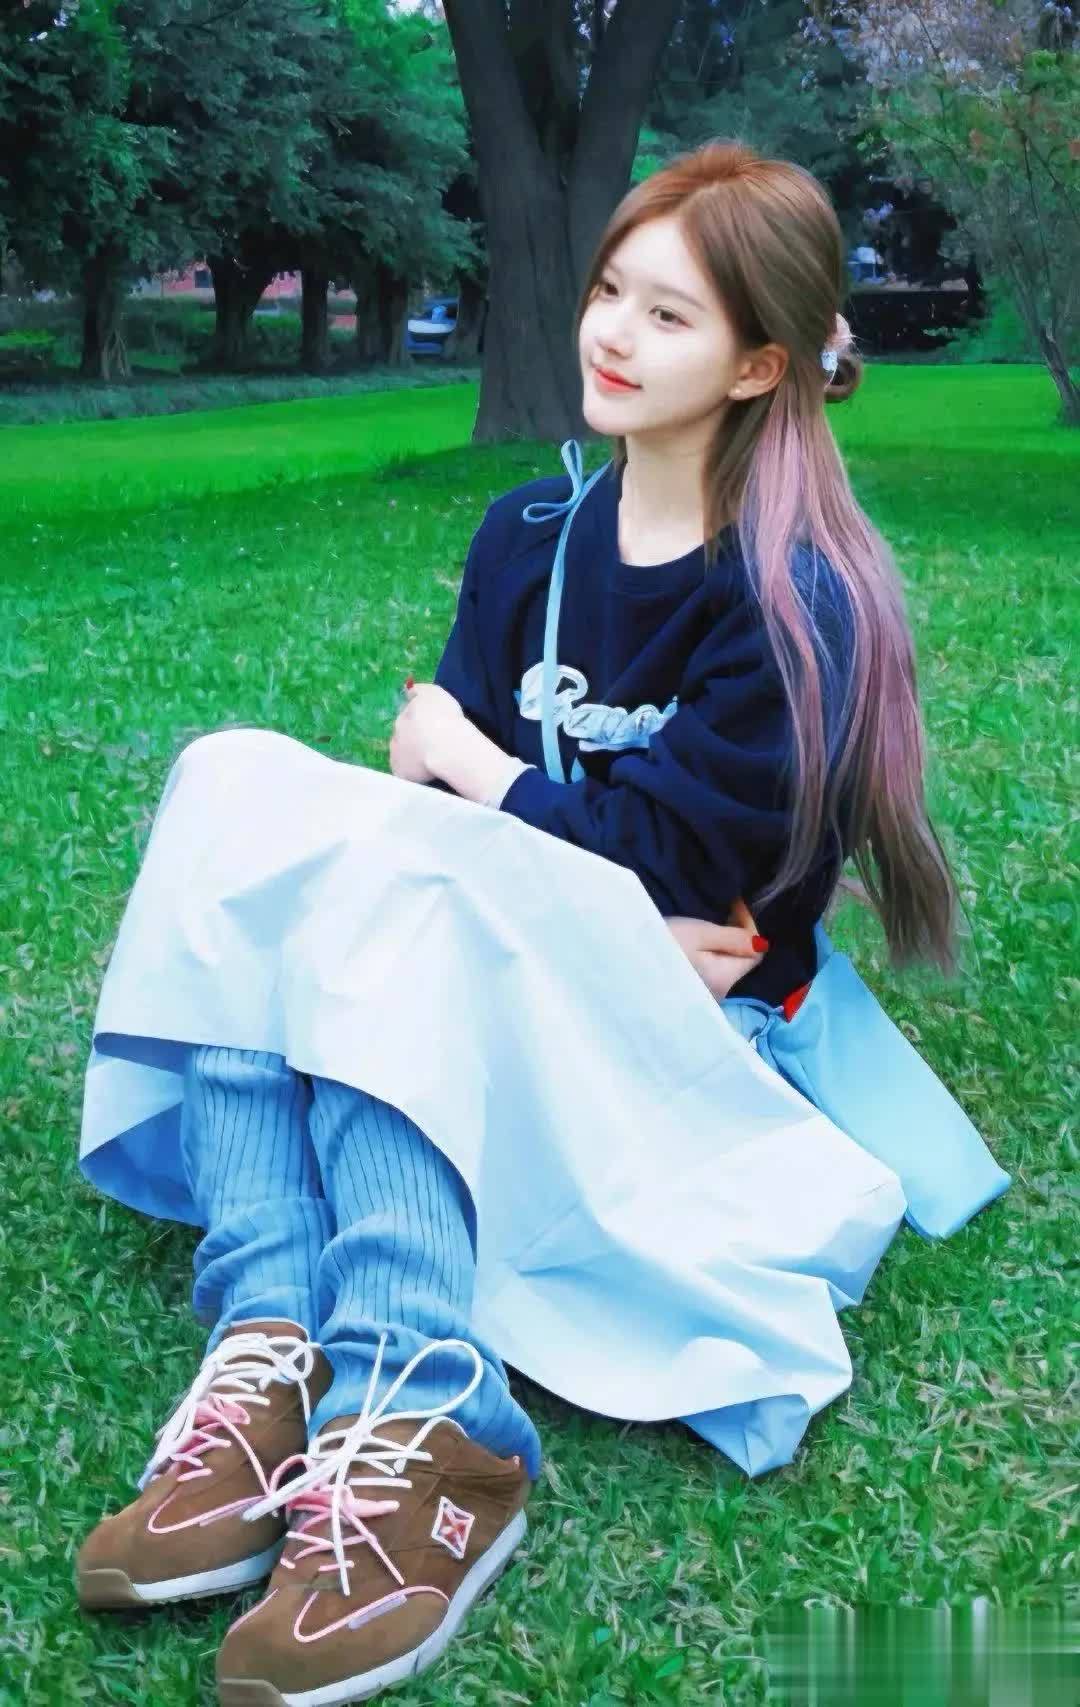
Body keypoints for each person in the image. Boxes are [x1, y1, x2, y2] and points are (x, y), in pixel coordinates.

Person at [74, 140, 1007, 1706]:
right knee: (236, 782)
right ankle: (275, 1345)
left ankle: (430, 1420)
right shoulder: (527, 538)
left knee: (397, 912)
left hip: (694, 1041)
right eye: (609, 292)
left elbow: (670, 872)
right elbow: (515, 852)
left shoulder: (797, 599)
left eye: (670, 315)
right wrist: (561, 879)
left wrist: (484, 773)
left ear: (759, 363)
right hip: (544, 964)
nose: (614, 335)